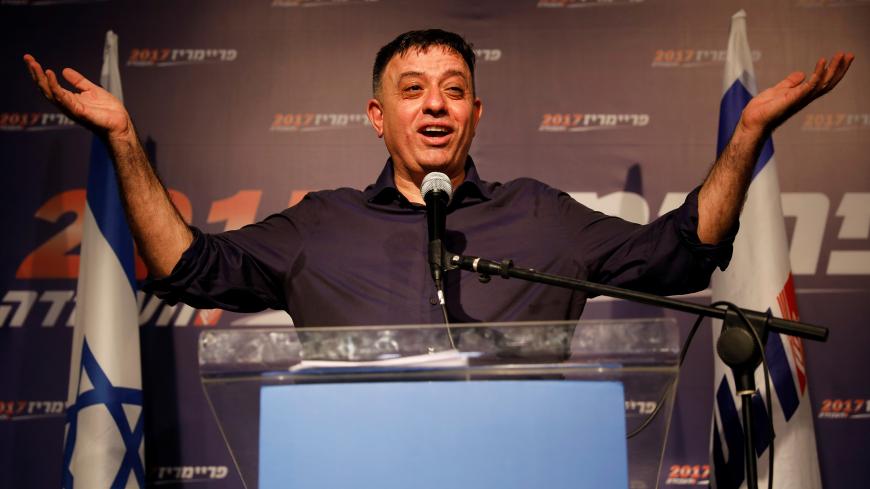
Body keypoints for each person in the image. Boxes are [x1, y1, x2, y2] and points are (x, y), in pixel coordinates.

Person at [23, 30, 853, 327]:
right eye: (412, 91)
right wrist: (125, 140)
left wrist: (747, 135)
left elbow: (680, 256)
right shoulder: (321, 223)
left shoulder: (540, 217)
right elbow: (186, 268)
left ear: (476, 115)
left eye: (454, 92)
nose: (435, 107)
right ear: (377, 117)